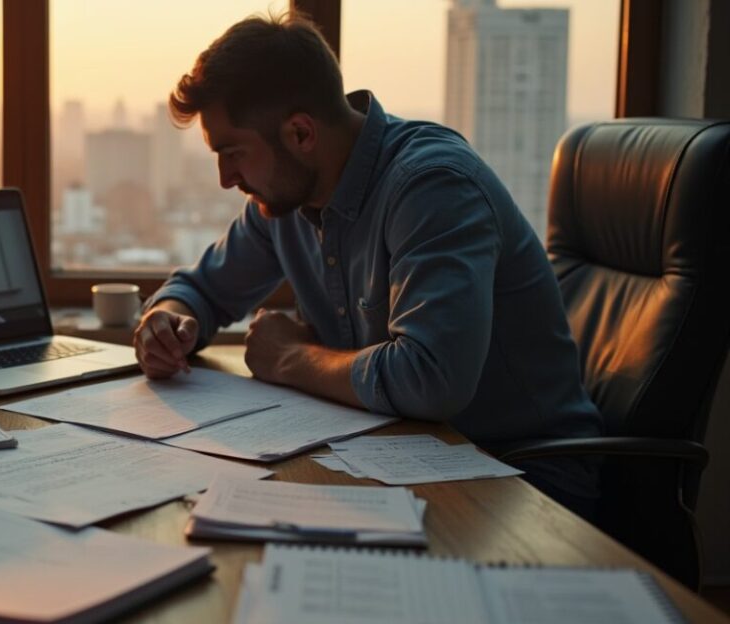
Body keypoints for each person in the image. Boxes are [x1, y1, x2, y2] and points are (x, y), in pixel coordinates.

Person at [133, 13, 602, 516]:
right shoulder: (285, 199)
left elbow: (431, 379)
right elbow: (203, 290)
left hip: (525, 478)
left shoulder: (433, 187)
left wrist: (289, 357)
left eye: (232, 153)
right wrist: (167, 321)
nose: (225, 178)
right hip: (400, 458)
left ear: (300, 133)